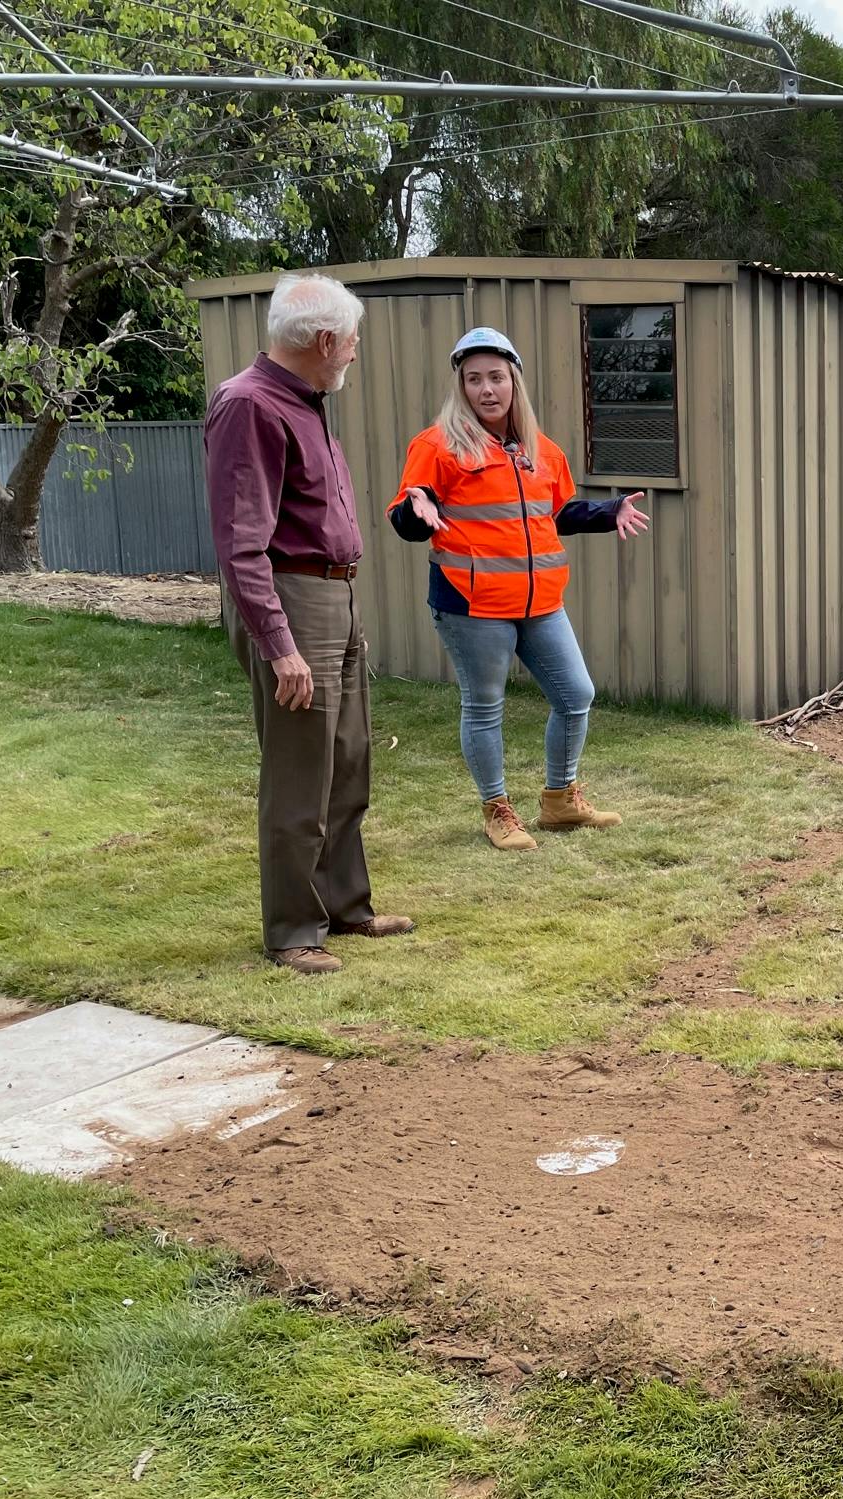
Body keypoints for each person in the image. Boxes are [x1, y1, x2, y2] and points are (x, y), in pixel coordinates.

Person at [205, 272, 414, 974]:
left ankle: (345, 906)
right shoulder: (249, 405)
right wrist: (279, 646)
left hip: (336, 596)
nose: (355, 352)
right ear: (325, 340)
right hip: (291, 602)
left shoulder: (306, 398)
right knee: (300, 771)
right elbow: (241, 540)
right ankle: (294, 930)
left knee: (348, 760)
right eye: (352, 340)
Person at [386, 327, 650, 850]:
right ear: (459, 386)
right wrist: (417, 513)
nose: (487, 389)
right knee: (484, 705)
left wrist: (608, 510)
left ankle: (560, 800)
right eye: (474, 379)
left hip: (540, 603)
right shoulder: (436, 446)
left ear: (515, 382)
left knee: (576, 695)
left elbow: (556, 512)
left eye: (497, 378)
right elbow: (408, 513)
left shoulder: (541, 450)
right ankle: (497, 809)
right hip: (471, 602)